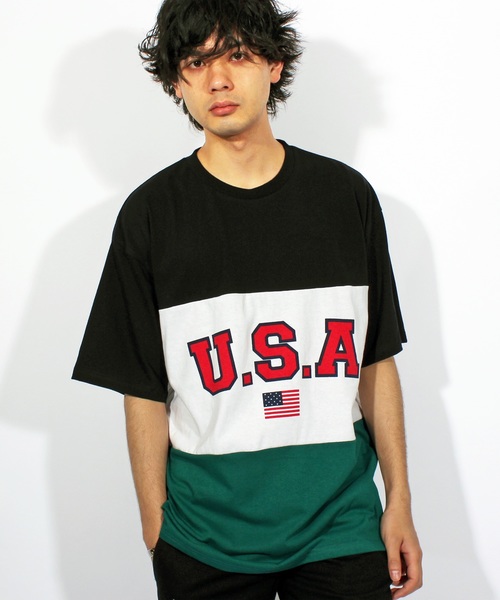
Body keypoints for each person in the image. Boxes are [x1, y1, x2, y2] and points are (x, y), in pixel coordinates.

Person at [72, 0, 423, 598]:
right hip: (203, 538)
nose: (218, 79)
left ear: (274, 64)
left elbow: (375, 361)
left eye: (236, 55)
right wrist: (156, 530)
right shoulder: (150, 216)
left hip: (342, 529)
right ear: (177, 81)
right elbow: (142, 389)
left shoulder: (345, 198)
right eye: (195, 62)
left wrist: (399, 503)